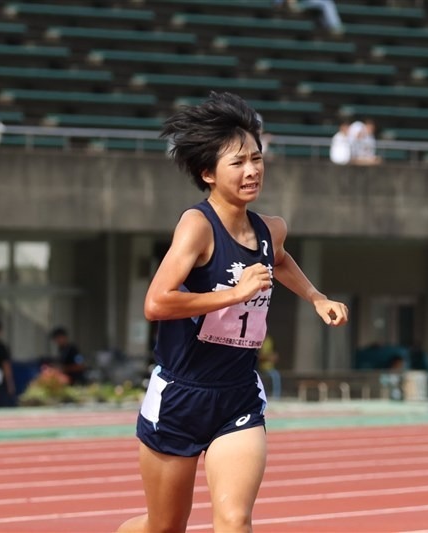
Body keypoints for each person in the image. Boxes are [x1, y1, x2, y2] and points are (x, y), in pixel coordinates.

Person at [117, 92, 348, 533]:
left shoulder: (269, 229)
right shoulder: (197, 226)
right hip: (181, 395)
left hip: (238, 394)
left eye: (257, 159)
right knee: (164, 526)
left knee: (234, 520)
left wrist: (317, 297)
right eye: (238, 162)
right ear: (208, 173)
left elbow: (278, 258)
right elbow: (157, 302)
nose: (252, 170)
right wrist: (233, 294)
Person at [275, 0, 343, 34]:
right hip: (292, 7)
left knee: (326, 3)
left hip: (302, 5)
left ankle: (334, 27)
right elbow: (278, 5)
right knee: (326, 4)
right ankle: (334, 26)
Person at [258, 333, 281, 399]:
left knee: (276, 376)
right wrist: (267, 357)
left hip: (269, 368)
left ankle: (276, 397)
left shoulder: (269, 340)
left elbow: (275, 354)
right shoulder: (258, 341)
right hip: (258, 367)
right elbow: (258, 356)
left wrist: (274, 357)